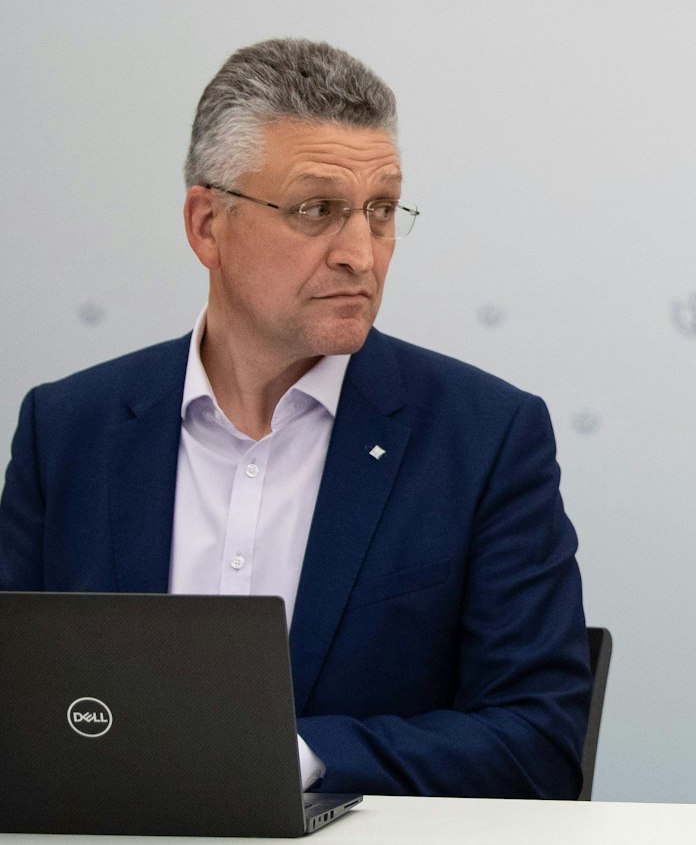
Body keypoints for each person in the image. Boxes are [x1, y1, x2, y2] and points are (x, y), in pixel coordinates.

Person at [0, 39, 592, 799]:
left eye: (380, 211)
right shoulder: (69, 430)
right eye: (317, 210)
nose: (361, 254)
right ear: (207, 224)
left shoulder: (484, 438)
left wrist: (295, 754)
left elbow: (537, 739)